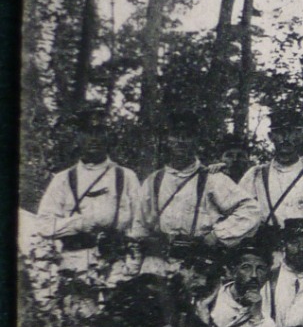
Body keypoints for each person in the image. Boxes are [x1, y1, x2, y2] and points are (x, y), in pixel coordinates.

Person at [132, 111, 265, 279]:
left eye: (187, 136)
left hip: (196, 267)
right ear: (166, 140)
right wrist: (133, 272)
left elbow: (251, 210)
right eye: (175, 136)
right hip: (156, 267)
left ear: (196, 141)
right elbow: (139, 229)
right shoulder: (154, 181)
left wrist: (216, 236)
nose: (181, 141)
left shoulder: (213, 179)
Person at [35, 105, 142, 298]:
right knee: (76, 322)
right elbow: (43, 225)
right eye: (87, 132)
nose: (94, 139)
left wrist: (131, 268)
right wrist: (80, 223)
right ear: (78, 137)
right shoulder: (62, 179)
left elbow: (140, 225)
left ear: (108, 137)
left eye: (99, 132)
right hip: (73, 266)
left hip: (115, 268)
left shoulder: (126, 177)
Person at [195, 240, 280, 327]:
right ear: (232, 271)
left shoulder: (262, 314)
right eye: (246, 268)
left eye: (260, 269)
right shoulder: (211, 300)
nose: (254, 275)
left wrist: (257, 317)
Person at [248, 119, 303, 265]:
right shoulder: (256, 175)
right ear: (271, 136)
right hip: (269, 257)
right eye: (280, 133)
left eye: (292, 133)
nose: (285, 139)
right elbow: (241, 215)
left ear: (301, 135)